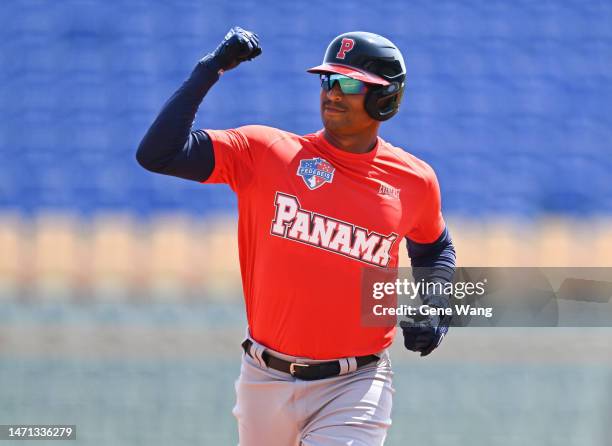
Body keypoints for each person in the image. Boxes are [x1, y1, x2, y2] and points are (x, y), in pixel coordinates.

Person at [137, 27, 456, 446]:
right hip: (263, 379)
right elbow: (157, 154)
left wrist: (436, 308)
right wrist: (208, 69)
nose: (332, 92)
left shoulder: (414, 181)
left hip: (355, 384)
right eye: (327, 80)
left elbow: (435, 247)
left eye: (349, 83)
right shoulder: (266, 152)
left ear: (386, 98)